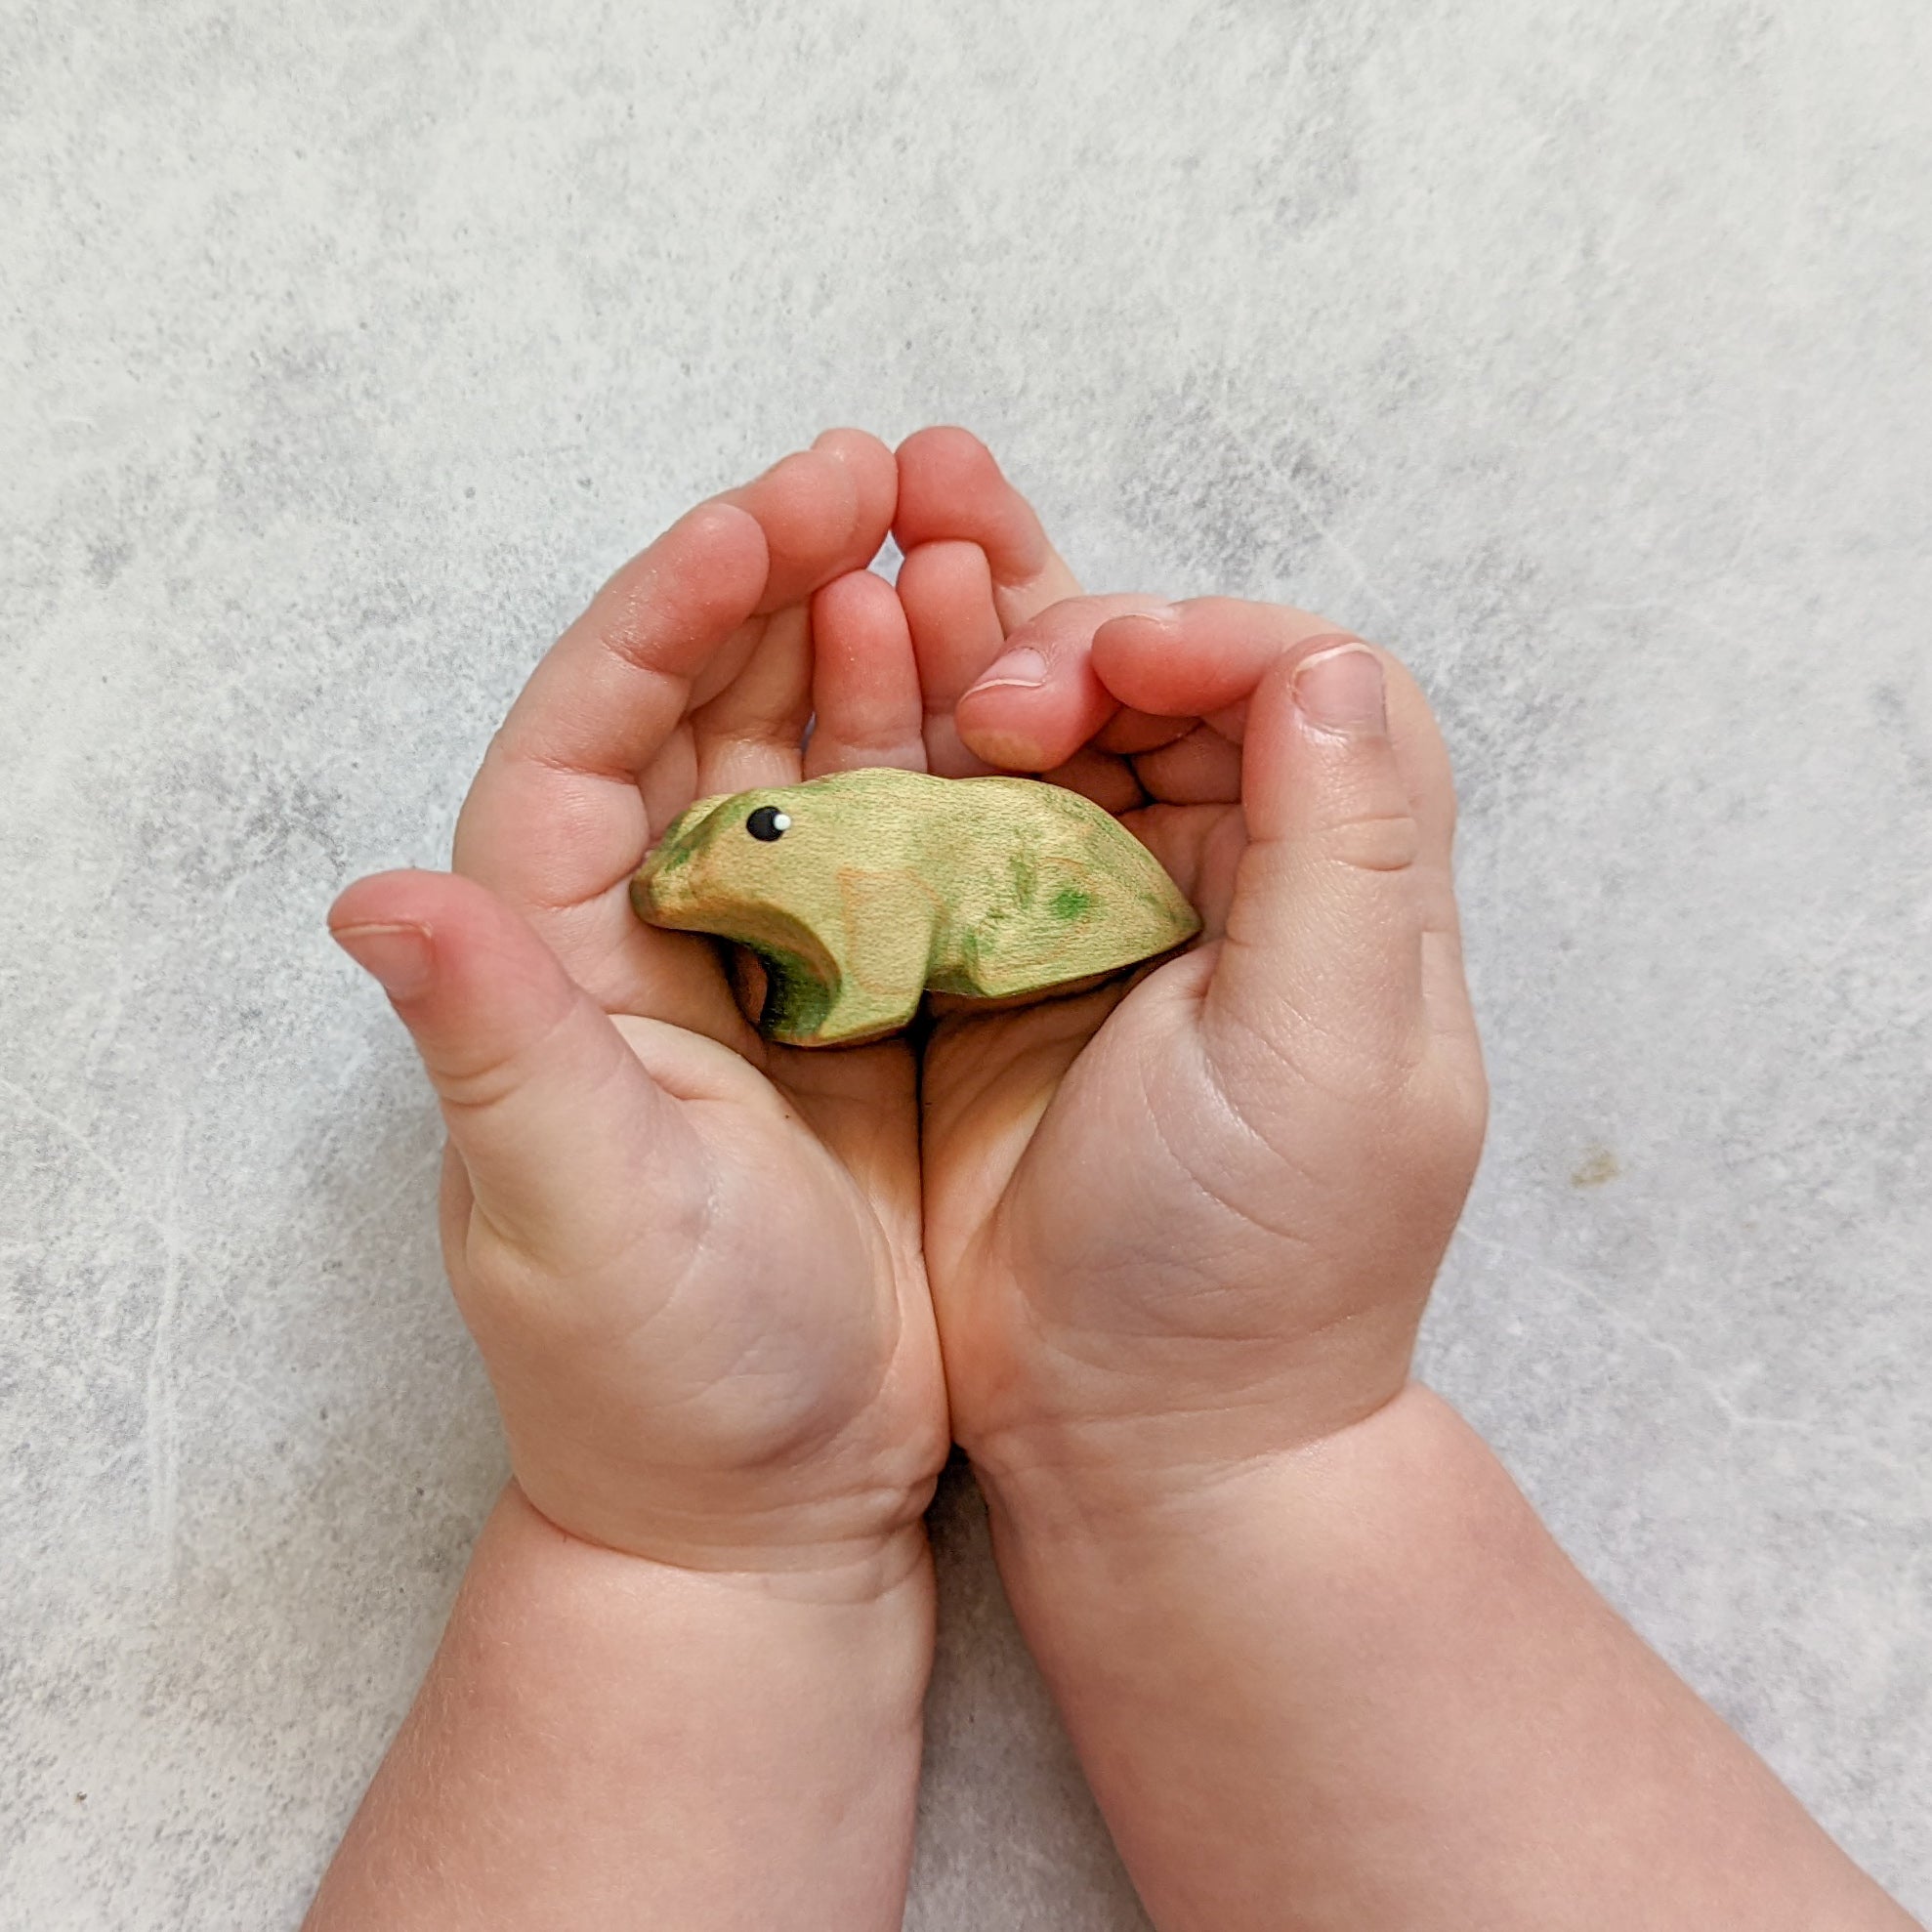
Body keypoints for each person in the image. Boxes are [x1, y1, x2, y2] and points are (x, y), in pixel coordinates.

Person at [306, 428, 1916, 1930]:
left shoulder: (849, 854)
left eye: (727, 855)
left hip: (1036, 930)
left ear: (782, 829)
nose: (683, 884)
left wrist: (693, 1541)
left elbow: (874, 970)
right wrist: (1214, 1445)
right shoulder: (827, 841)